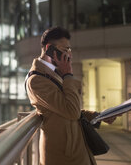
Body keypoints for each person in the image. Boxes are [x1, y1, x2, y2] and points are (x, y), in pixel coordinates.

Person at [25, 27, 118, 165]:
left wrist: (99, 116)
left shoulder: (54, 73)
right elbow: (71, 111)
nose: (70, 55)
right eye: (65, 50)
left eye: (70, 50)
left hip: (75, 148)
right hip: (63, 155)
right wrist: (68, 74)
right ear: (50, 48)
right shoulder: (36, 80)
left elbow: (66, 110)